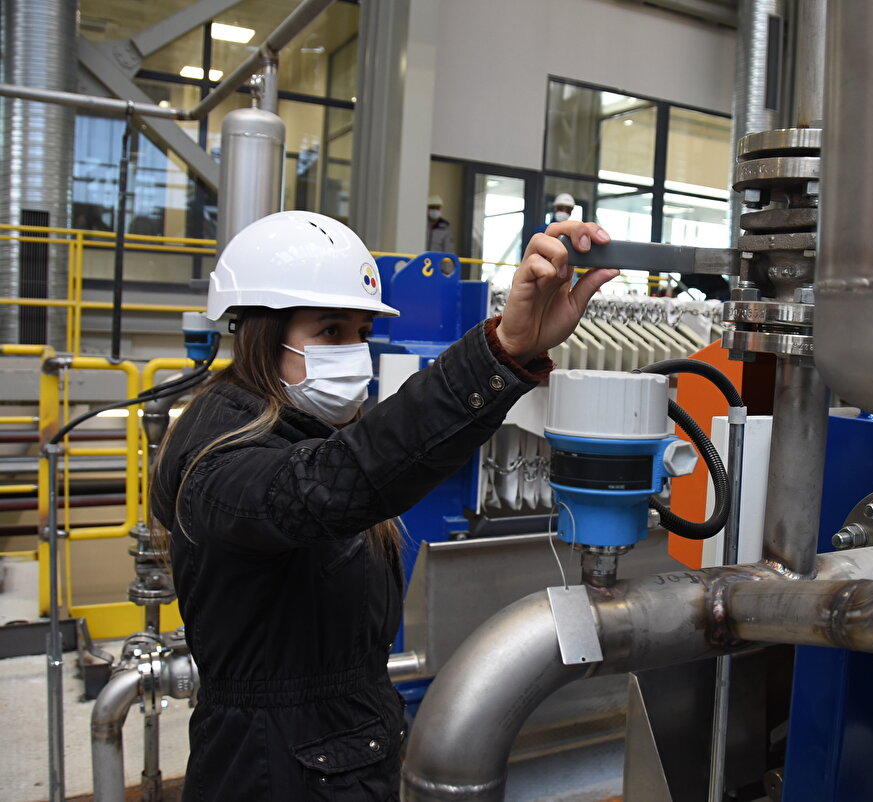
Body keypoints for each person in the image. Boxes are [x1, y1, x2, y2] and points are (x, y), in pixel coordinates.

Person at [151, 210, 615, 800]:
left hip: (331, 760)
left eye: (362, 333)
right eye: (329, 332)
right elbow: (337, 482)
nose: (353, 353)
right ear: (260, 333)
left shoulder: (299, 428)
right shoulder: (221, 464)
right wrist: (502, 351)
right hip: (278, 777)